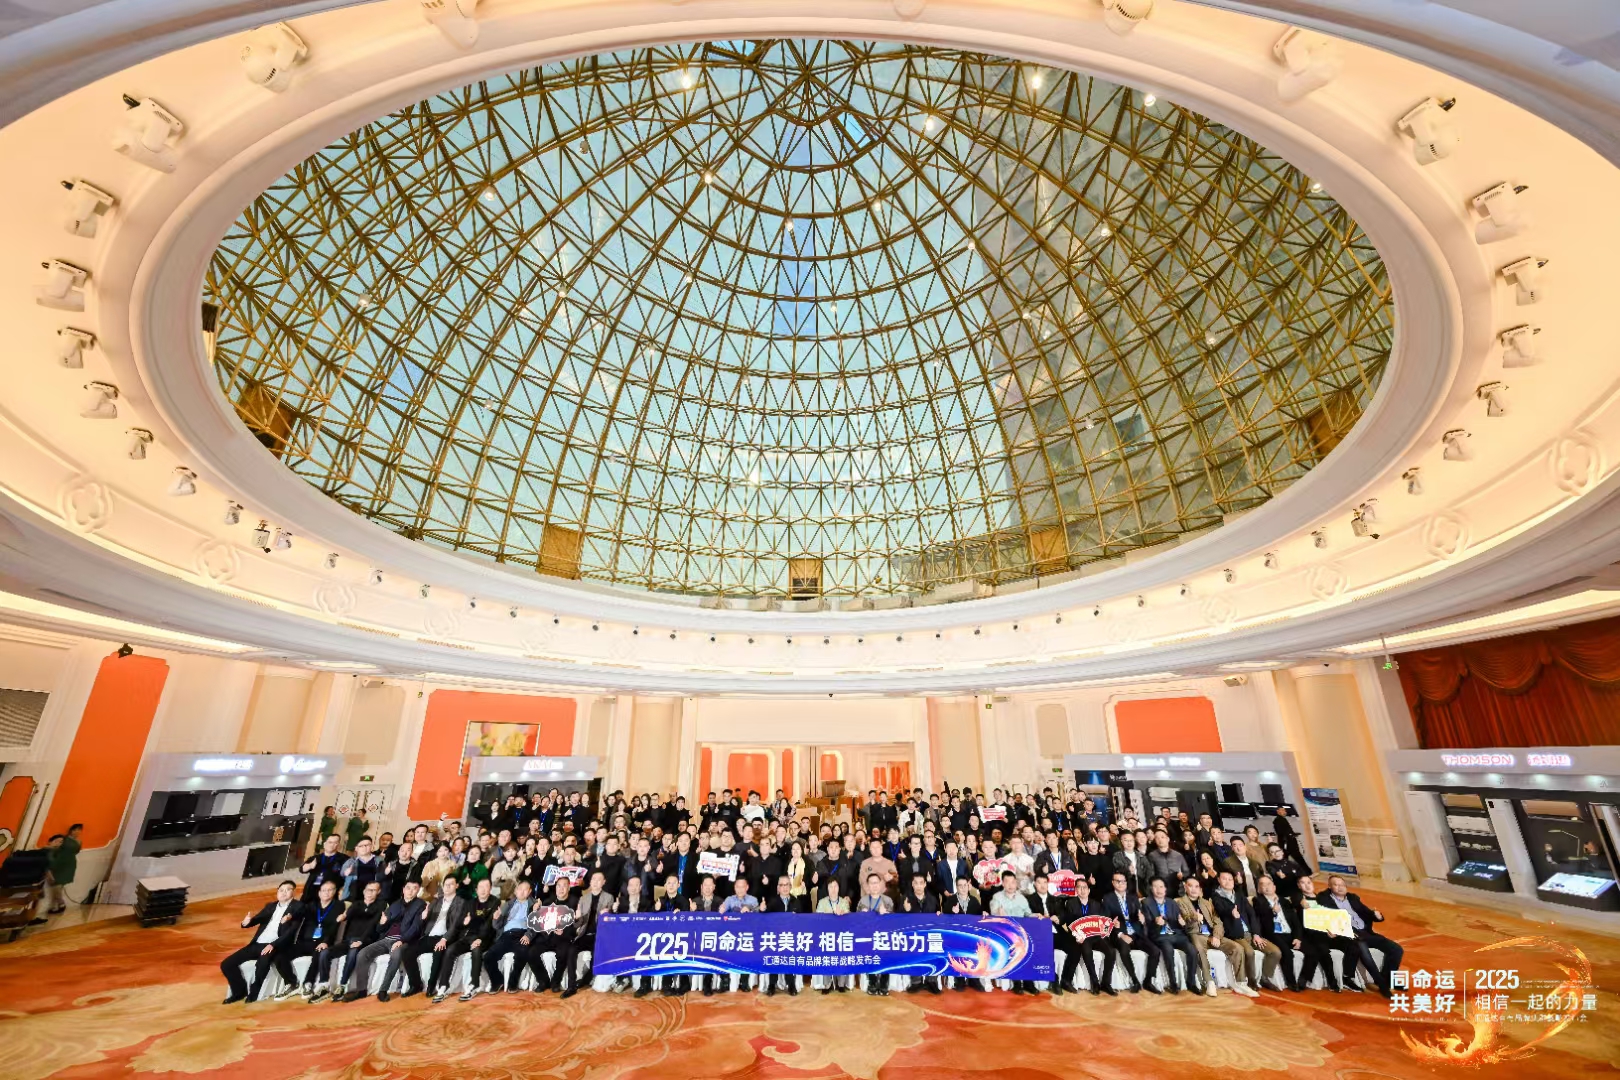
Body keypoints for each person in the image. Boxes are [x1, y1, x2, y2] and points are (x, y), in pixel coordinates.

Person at [341, 880, 426, 1002]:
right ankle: (361, 990)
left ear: (418, 890)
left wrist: (402, 940)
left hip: (404, 940)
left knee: (396, 955)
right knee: (362, 954)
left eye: (414, 888)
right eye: (408, 888)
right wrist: (382, 923)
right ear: (403, 889)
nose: (411, 891)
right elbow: (380, 929)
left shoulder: (420, 905)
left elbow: (416, 927)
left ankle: (383, 990)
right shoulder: (395, 905)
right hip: (386, 939)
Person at [221, 880, 304, 1004]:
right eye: (281, 890)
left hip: (274, 944)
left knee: (262, 963)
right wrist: (246, 922)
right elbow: (257, 919)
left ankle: (254, 992)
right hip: (257, 943)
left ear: (294, 892)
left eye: (288, 890)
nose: (284, 892)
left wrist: (273, 944)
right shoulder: (270, 906)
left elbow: (290, 932)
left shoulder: (297, 907)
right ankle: (239, 992)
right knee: (227, 964)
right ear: (277, 892)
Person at [1321, 875, 1404, 997]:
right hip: (1350, 935)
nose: (1340, 887)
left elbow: (1367, 912)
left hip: (1366, 932)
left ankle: (1389, 979)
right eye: (1336, 885)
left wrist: (1377, 916)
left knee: (1396, 949)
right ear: (1329, 887)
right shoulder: (1324, 899)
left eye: (1342, 885)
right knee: (1363, 950)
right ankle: (1381, 984)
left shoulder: (1353, 898)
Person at [1209, 870, 1276, 996]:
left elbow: (1252, 915)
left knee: (1275, 952)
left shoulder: (1239, 896)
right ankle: (1251, 982)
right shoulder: (1215, 897)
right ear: (1218, 880)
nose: (1228, 882)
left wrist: (1256, 934)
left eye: (1230, 879)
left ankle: (1265, 978)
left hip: (1251, 933)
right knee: (1249, 952)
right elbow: (1220, 910)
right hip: (1236, 934)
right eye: (1224, 879)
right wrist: (1231, 912)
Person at [436, 876, 500, 1003]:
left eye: (486, 887)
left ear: (490, 889)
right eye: (480, 887)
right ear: (476, 889)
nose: (483, 890)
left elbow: (489, 925)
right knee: (450, 950)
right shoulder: (470, 903)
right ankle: (443, 985)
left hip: (486, 938)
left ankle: (474, 985)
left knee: (476, 950)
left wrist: (481, 939)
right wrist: (465, 922)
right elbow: (459, 922)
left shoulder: (495, 902)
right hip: (469, 936)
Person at [1143, 877, 1203, 994]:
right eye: (1155, 887)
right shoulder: (1146, 903)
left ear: (1165, 889)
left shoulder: (1172, 902)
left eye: (1161, 887)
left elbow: (1178, 921)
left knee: (1192, 950)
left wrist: (1181, 923)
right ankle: (1173, 983)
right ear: (1151, 888)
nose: (1159, 889)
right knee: (1168, 949)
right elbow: (1146, 925)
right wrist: (1155, 922)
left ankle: (1191, 982)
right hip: (1159, 935)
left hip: (1176, 934)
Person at [331, 880, 387, 1000]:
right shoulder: (356, 904)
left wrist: (361, 940)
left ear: (379, 892)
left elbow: (372, 925)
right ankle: (322, 986)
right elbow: (346, 915)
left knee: (353, 952)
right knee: (325, 952)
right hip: (349, 940)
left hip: (367, 940)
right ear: (363, 891)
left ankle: (342, 985)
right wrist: (343, 916)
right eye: (368, 890)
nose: (370, 892)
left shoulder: (381, 905)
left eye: (373, 890)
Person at [291, 879, 346, 999]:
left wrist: (326, 941)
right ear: (319, 893)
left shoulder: (338, 906)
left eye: (330, 890)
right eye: (324, 890)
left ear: (335, 892)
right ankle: (290, 982)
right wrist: (290, 915)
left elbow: (334, 926)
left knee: (318, 952)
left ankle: (308, 983)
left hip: (322, 941)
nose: (327, 893)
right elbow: (299, 915)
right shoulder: (311, 906)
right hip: (306, 941)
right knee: (282, 954)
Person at [482, 880, 538, 996]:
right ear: (516, 891)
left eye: (525, 889)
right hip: (506, 935)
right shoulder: (508, 904)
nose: (522, 892)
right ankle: (497, 981)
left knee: (522, 953)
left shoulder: (535, 905)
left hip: (522, 934)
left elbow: (537, 924)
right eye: (520, 889)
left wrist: (528, 935)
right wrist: (496, 918)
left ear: (529, 892)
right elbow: (497, 926)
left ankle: (513, 981)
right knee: (488, 957)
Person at [1253, 875, 1307, 992]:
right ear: (1259, 889)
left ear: (1274, 887)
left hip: (1289, 934)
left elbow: (1296, 922)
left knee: (1312, 951)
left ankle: (1304, 980)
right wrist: (1272, 912)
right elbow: (1263, 922)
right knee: (1287, 953)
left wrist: (1297, 938)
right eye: (1262, 884)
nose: (1266, 887)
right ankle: (1292, 983)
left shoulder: (1284, 901)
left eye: (1268, 884)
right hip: (1273, 934)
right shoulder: (1258, 901)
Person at [1100, 871, 1150, 993]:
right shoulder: (1107, 899)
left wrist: (1143, 920)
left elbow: (1140, 917)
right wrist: (1120, 933)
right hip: (1118, 933)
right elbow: (1105, 920)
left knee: (1155, 950)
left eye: (1123, 881)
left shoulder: (1133, 898)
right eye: (1118, 881)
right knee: (1124, 949)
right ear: (1113, 883)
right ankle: (1135, 981)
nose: (1121, 883)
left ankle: (1149, 981)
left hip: (1135, 932)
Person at [1064, 878, 1115, 995]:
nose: (1082, 890)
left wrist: (1111, 925)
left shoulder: (1096, 904)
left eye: (1085, 887)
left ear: (1089, 890)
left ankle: (1106, 983)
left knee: (1111, 951)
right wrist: (1077, 936)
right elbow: (1069, 923)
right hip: (1082, 937)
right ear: (1076, 890)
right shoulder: (1071, 904)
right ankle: (1095, 982)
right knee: (1087, 951)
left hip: (1096, 936)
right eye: (1079, 887)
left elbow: (1104, 922)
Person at [1026, 873, 1069, 996]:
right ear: (1035, 884)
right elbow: (1026, 916)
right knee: (1043, 947)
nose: (1042, 885)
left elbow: (1063, 915)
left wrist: (1058, 918)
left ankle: (1066, 980)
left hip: (1056, 931)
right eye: (1039, 882)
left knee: (1074, 946)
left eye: (1045, 882)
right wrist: (1034, 917)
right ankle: (1054, 980)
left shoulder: (1055, 899)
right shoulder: (1029, 900)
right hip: (1039, 934)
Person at [857, 872, 893, 995]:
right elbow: (857, 921)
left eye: (876, 883)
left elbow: (893, 920)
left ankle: (884, 984)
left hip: (884, 936)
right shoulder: (863, 901)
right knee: (869, 954)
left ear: (880, 884)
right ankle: (872, 983)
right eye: (871, 883)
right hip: (868, 936)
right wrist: (863, 915)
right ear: (868, 886)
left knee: (886, 955)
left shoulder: (887, 900)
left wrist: (885, 915)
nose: (874, 885)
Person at [44, 823, 82, 914]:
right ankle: (59, 904)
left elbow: (76, 851)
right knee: (55, 883)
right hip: (58, 862)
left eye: (79, 830)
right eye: (75, 830)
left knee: (59, 885)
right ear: (71, 830)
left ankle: (58, 905)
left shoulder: (79, 842)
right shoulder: (64, 839)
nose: (77, 832)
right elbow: (55, 847)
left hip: (69, 864)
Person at [301, 834, 347, 902]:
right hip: (311, 892)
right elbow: (302, 869)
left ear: (338, 845)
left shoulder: (344, 859)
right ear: (324, 844)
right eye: (330, 842)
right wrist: (310, 866)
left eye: (335, 843)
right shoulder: (315, 858)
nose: (332, 845)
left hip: (330, 893)